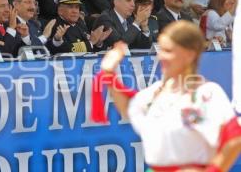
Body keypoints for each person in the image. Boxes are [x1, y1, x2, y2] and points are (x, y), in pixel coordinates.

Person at [92, 20, 240, 171]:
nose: (161, 56)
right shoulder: (155, 92)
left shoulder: (206, 94)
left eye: (168, 51)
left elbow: (234, 139)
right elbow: (127, 109)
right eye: (161, 50)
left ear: (189, 55)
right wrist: (109, 74)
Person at [46, 0, 111, 54]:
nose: (75, 11)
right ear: (60, 10)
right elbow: (64, 50)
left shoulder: (80, 23)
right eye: (71, 7)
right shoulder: (55, 25)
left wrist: (98, 43)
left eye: (77, 7)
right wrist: (91, 42)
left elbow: (90, 49)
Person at [93, 0, 158, 50]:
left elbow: (144, 47)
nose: (133, 5)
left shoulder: (130, 20)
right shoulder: (105, 19)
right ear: (116, 2)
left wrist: (144, 27)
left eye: (133, 1)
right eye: (128, 0)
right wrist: (137, 21)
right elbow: (119, 45)